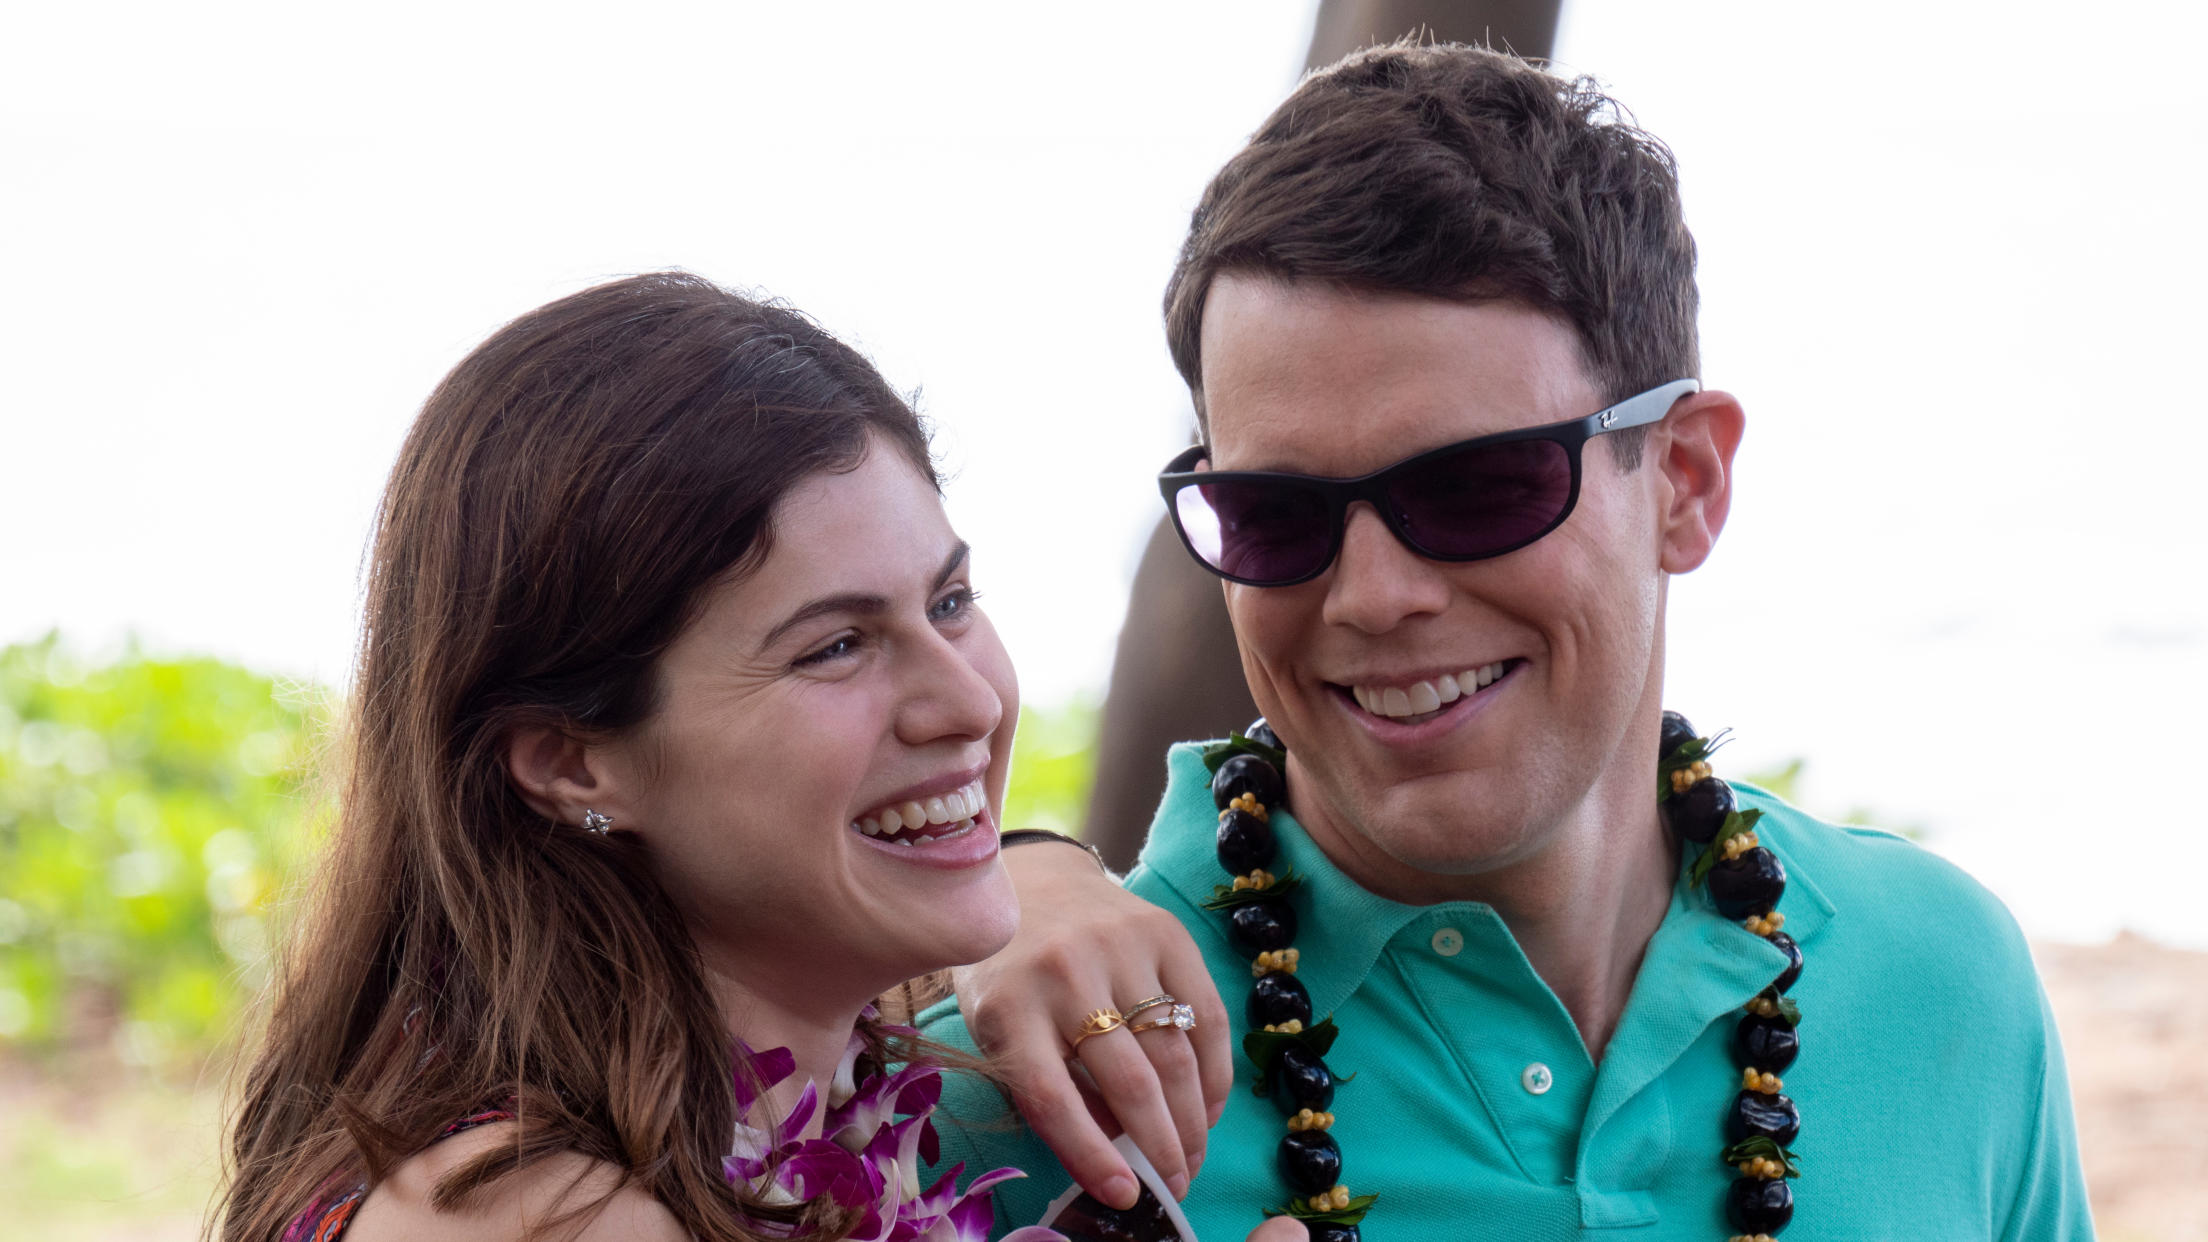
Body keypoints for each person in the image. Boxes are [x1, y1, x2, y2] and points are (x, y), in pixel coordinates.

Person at [927, 43, 2094, 1242]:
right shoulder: (1010, 1100)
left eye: (1479, 486)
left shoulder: (1939, 980)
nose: (1374, 596)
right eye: (1276, 513)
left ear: (1684, 482)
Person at [215, 273, 1307, 1242]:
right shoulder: (543, 1214)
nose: (967, 698)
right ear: (571, 763)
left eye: (951, 601)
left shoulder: (836, 1117)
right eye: (835, 647)